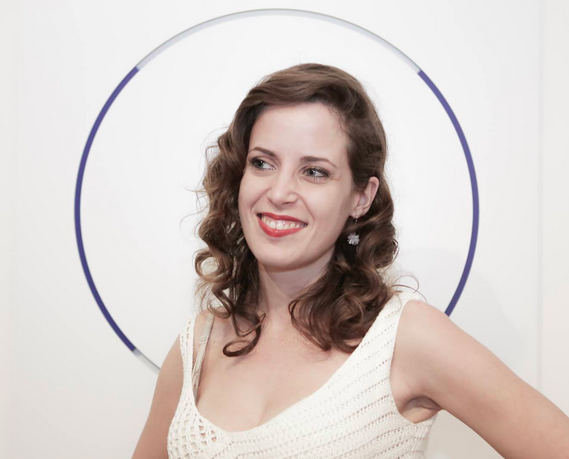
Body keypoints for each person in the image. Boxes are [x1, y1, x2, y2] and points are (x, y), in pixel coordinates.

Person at [132, 63, 569, 459]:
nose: (279, 192)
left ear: (361, 197)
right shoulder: (198, 344)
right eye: (262, 163)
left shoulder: (406, 338)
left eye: (314, 171)